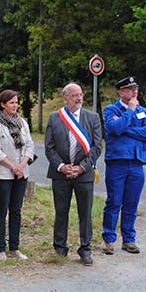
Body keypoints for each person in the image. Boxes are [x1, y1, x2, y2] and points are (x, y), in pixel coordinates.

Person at [44, 83, 102, 266]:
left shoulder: (92, 118)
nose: (79, 98)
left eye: (80, 94)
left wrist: (81, 167)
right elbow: (49, 147)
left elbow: (97, 147)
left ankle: (85, 249)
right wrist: (62, 166)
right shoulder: (54, 118)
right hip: (61, 174)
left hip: (84, 175)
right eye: (74, 95)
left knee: (85, 212)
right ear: (65, 98)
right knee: (61, 212)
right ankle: (60, 249)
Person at [102, 76, 146, 255]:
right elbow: (115, 129)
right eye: (130, 89)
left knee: (132, 203)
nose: (135, 92)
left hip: (137, 162)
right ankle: (109, 239)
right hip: (117, 163)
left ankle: (129, 239)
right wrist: (130, 111)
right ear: (121, 92)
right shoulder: (111, 110)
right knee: (114, 202)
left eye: (136, 89)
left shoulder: (143, 111)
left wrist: (126, 128)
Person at [0, 90, 35, 261]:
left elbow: (30, 145)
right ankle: (0, 249)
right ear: (2, 104)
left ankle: (14, 247)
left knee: (16, 210)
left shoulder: (22, 122)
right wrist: (13, 167)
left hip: (21, 173)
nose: (15, 106)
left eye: (16, 102)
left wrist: (21, 166)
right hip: (2, 174)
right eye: (11, 103)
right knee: (1, 210)